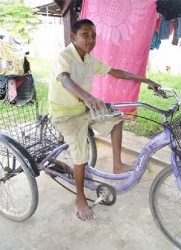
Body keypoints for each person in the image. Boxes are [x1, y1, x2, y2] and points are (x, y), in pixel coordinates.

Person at [49, 19, 160, 221]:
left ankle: (117, 164)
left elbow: (116, 72)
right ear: (73, 37)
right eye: (85, 34)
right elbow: (65, 79)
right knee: (80, 155)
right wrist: (89, 97)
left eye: (93, 35)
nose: (90, 39)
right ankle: (80, 198)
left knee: (117, 119)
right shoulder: (64, 56)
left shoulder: (90, 60)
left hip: (83, 109)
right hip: (65, 114)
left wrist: (146, 81)